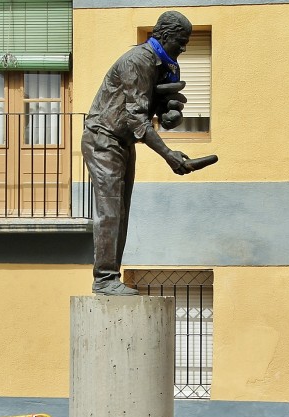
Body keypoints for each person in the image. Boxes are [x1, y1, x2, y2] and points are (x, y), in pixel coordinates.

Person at [82, 11, 195, 296]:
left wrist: (168, 113)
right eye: (181, 41)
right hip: (103, 139)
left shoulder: (164, 65)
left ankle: (110, 277)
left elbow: (148, 107)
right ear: (165, 36)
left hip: (121, 142)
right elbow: (136, 119)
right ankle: (105, 278)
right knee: (110, 209)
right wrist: (168, 155)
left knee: (121, 211)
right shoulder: (138, 61)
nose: (184, 48)